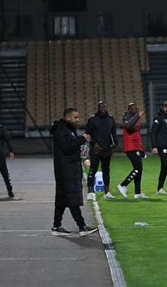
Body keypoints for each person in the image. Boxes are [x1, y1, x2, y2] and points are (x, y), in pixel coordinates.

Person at [50, 108, 98, 236]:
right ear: (67, 117)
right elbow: (67, 147)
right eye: (75, 117)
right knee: (71, 198)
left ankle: (56, 226)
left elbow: (73, 146)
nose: (78, 120)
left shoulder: (67, 129)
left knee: (62, 199)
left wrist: (84, 157)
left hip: (67, 169)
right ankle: (82, 226)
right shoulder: (61, 130)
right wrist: (82, 139)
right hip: (66, 170)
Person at [85, 101, 118, 200]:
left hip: (107, 149)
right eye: (101, 107)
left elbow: (113, 133)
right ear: (98, 108)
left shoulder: (111, 119)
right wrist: (94, 144)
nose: (103, 108)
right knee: (93, 170)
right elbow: (87, 134)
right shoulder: (92, 120)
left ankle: (107, 192)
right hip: (95, 149)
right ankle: (90, 191)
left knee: (106, 171)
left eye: (104, 106)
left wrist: (115, 143)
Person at [116, 103, 147, 199]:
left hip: (136, 147)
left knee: (139, 170)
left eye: (136, 108)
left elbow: (137, 135)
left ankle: (137, 193)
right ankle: (123, 185)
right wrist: (137, 116)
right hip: (130, 147)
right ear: (129, 109)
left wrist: (141, 150)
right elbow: (128, 126)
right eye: (134, 109)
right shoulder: (127, 117)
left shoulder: (134, 118)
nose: (136, 110)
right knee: (137, 168)